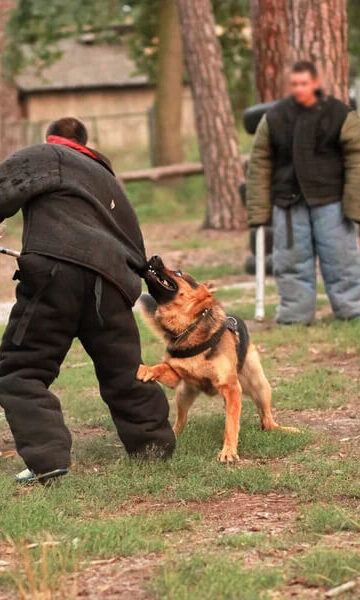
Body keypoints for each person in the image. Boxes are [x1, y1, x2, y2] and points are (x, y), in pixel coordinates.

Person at [0, 117, 175, 483]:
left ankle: (46, 459)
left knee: (19, 370)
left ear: (53, 138)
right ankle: (153, 448)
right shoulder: (107, 178)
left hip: (54, 274)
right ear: (86, 142)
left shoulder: (47, 155)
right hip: (112, 281)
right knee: (124, 371)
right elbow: (135, 245)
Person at [247, 61, 360, 324]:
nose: (299, 89)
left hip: (332, 200)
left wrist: (355, 203)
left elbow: (356, 158)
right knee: (291, 262)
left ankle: (353, 310)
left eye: (304, 83)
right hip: (288, 202)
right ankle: (295, 315)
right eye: (295, 84)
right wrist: (258, 210)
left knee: (341, 259)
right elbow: (260, 163)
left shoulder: (339, 114)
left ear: (316, 83)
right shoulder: (275, 117)